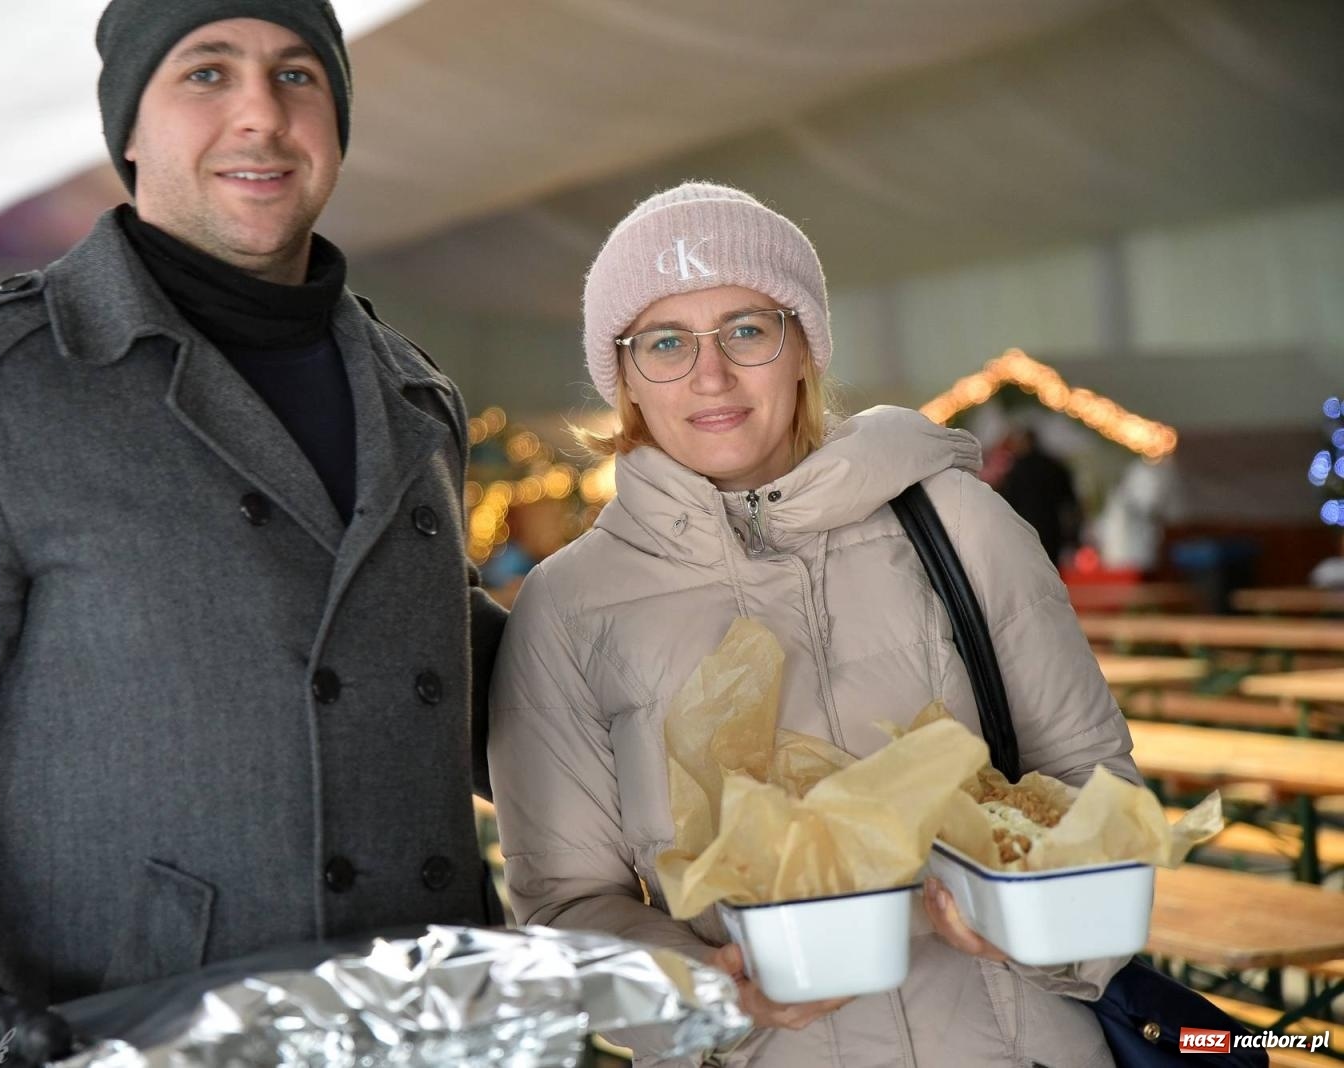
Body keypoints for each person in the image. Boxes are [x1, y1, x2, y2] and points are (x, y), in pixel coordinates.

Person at [0, 2, 505, 1062]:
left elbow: (452, 681)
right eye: (206, 74)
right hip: (134, 1036)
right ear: (126, 127)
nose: (260, 113)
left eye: (298, 76)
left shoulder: (413, 395)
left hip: (451, 1031)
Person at [487, 183, 1139, 1067]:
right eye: (666, 343)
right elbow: (565, 903)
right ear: (626, 375)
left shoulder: (959, 525)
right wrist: (709, 990)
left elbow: (1093, 780)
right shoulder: (566, 611)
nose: (709, 374)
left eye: (747, 330)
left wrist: (1049, 918)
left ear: (804, 347)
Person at [995, 424, 1082, 567]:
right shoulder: (1055, 466)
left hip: (1024, 526)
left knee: (1028, 567)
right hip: (1051, 526)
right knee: (1052, 567)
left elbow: (1007, 499)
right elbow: (1069, 500)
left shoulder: (1017, 469)